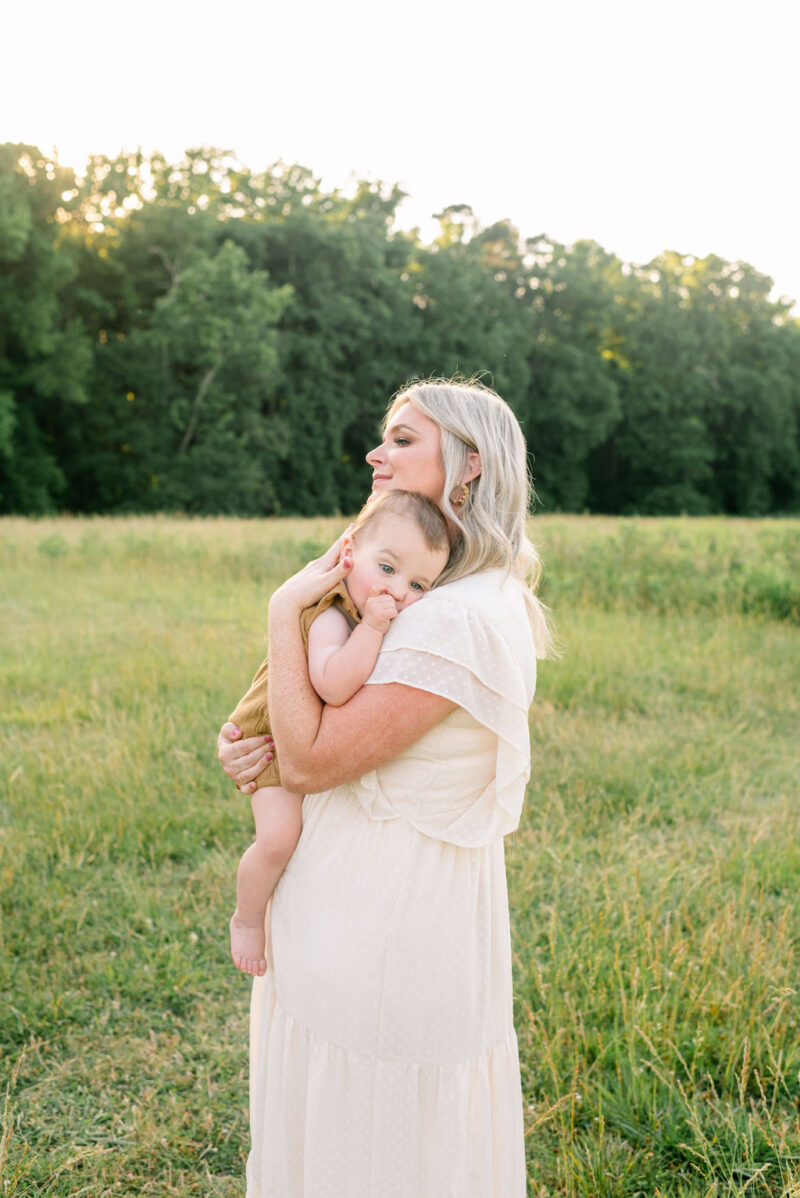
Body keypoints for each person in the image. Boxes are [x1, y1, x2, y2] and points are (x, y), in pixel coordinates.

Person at [218, 378, 550, 1197]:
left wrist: (279, 608)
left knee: (380, 1144)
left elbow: (311, 761)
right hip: (355, 912)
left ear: (468, 468)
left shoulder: (456, 616)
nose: (378, 451)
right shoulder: (438, 591)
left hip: (386, 935)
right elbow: (300, 734)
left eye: (404, 438)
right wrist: (255, 732)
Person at [228, 489, 450, 977]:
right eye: (387, 569)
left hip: (298, 729)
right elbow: (332, 685)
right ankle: (246, 919)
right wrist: (372, 630)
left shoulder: (364, 607)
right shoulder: (331, 615)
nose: (395, 591)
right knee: (279, 837)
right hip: (269, 738)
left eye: (418, 584)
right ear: (348, 555)